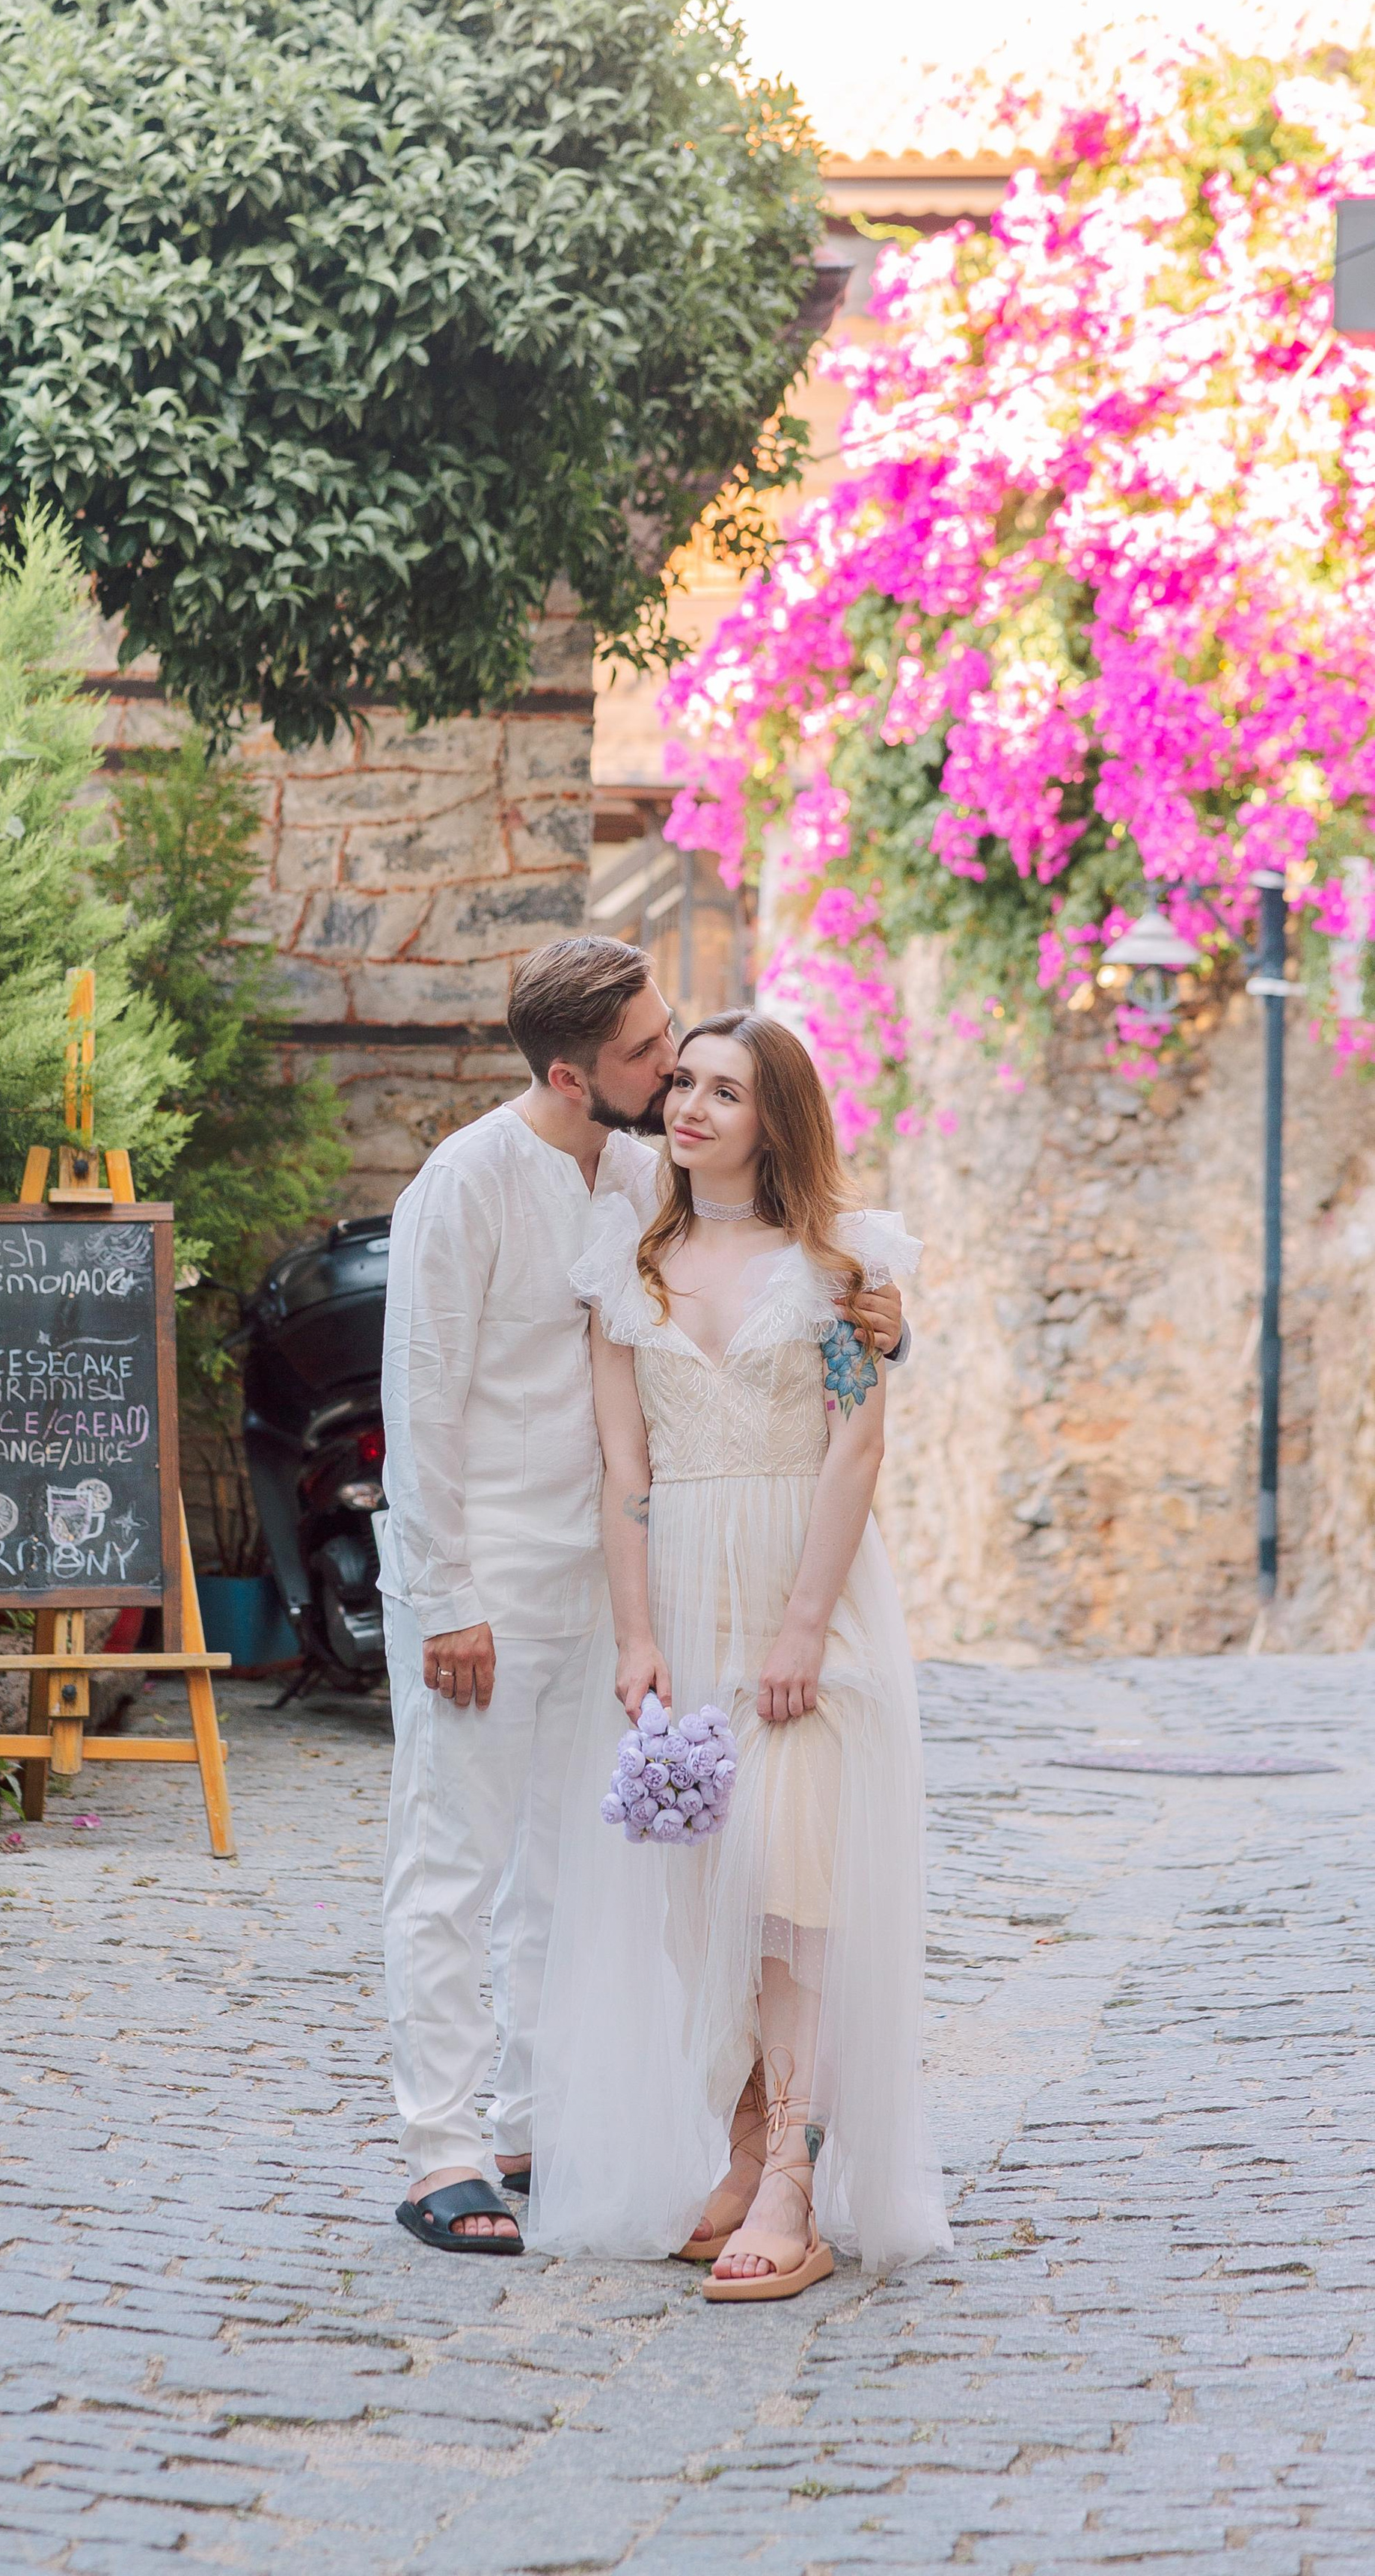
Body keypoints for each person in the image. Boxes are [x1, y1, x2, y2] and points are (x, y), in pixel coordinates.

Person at [379, 946, 905, 2253]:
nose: (674, 1073)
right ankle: (444, 2154)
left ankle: (529, 2115)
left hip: (627, 1581)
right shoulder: (466, 1184)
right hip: (489, 1581)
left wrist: (886, 1321)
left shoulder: (632, 1169)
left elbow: (805, 1300)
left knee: (574, 1872)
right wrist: (444, 1595)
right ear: (573, 1073)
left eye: (683, 1049)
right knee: (455, 1859)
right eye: (650, 1054)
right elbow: (420, 1399)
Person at [529, 1009, 949, 2293]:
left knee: (789, 1887)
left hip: (795, 1584)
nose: (694, 1107)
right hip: (679, 1603)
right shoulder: (630, 1261)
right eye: (687, 1085)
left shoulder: (837, 1270)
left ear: (779, 1119)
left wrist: (806, 1626)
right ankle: (735, 2146)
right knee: (697, 1897)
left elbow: (856, 1447)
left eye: (729, 1091)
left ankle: (795, 2182)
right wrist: (639, 1631)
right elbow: (624, 1465)